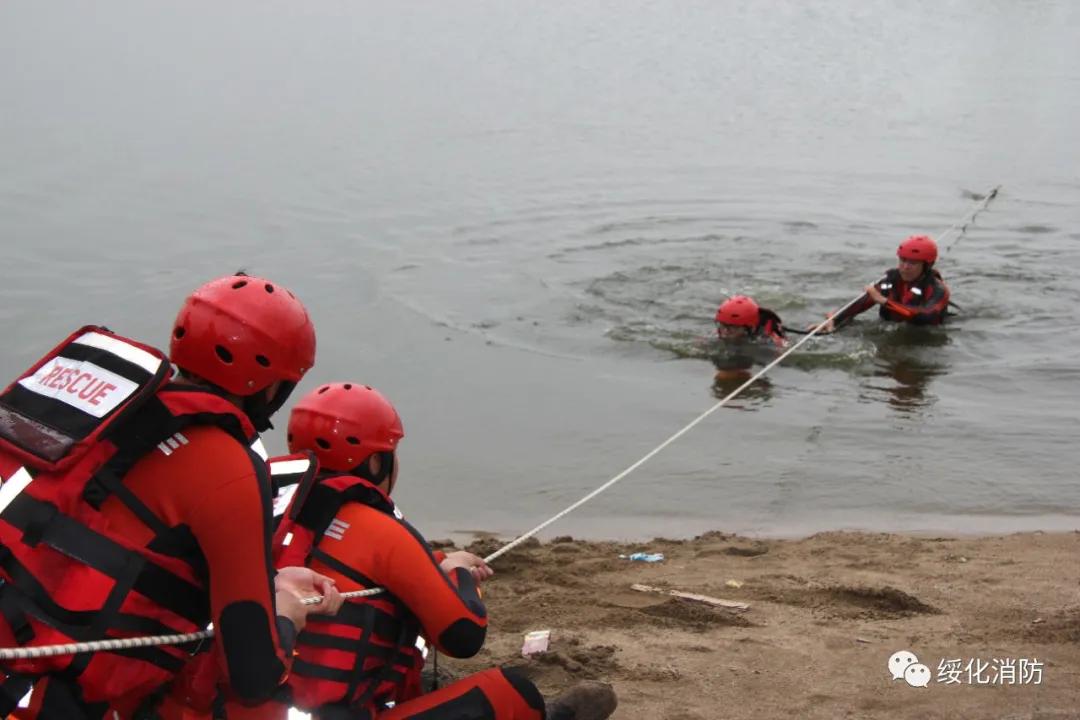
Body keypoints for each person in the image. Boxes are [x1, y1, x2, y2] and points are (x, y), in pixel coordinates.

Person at [0, 274, 342, 719]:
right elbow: (253, 675)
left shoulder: (109, 414)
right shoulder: (228, 467)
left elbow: (98, 537)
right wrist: (285, 615)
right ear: (274, 387)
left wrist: (272, 578)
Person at [252, 382, 617, 720]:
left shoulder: (256, 505)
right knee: (512, 693)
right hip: (330, 712)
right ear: (377, 461)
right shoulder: (377, 529)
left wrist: (432, 566)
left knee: (420, 681)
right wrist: (457, 571)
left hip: (255, 705)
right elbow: (463, 634)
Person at [809, 235, 951, 332]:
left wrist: (883, 301)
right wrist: (833, 319)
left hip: (924, 336)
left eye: (913, 263)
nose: (905, 267)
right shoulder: (889, 281)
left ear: (927, 265)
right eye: (902, 260)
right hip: (890, 327)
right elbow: (859, 304)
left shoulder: (938, 289)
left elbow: (927, 315)